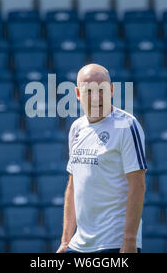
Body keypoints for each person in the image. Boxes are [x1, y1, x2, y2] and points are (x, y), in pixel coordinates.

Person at [56, 63, 147, 253]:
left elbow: (138, 185)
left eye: (102, 89)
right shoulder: (77, 128)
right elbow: (73, 185)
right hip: (78, 245)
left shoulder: (127, 126)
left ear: (112, 90)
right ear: (77, 94)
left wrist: (129, 240)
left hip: (114, 244)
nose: (96, 96)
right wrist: (65, 240)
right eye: (88, 90)